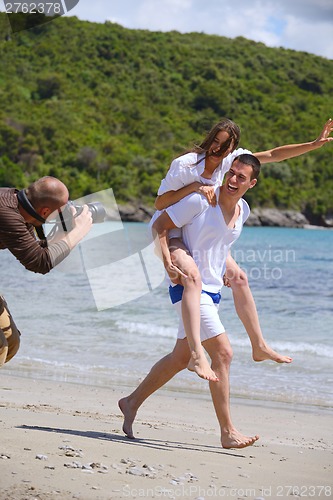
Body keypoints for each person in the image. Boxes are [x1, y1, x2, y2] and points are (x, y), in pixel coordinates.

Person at [152, 117, 333, 381]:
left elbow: (273, 154)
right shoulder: (186, 164)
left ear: (233, 147)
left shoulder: (230, 161)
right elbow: (159, 204)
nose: (218, 149)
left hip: (200, 233)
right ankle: (196, 354)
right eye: (216, 141)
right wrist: (194, 187)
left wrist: (314, 145)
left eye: (225, 145)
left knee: (238, 277)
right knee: (193, 279)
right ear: (210, 137)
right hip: (170, 232)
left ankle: (258, 345)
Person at [119, 153, 264, 449]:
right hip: (188, 287)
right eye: (231, 172)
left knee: (179, 357)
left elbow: (219, 244)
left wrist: (225, 269)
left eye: (241, 176)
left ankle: (131, 402)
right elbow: (160, 223)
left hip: (212, 289)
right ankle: (228, 431)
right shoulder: (202, 199)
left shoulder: (243, 210)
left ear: (252, 183)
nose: (233, 179)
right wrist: (169, 263)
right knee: (223, 353)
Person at [0, 176, 93, 367]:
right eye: (61, 211)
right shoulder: (6, 213)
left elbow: (35, 250)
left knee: (11, 341)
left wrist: (65, 232)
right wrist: (80, 231)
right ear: (44, 211)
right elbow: (39, 263)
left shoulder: (21, 208)